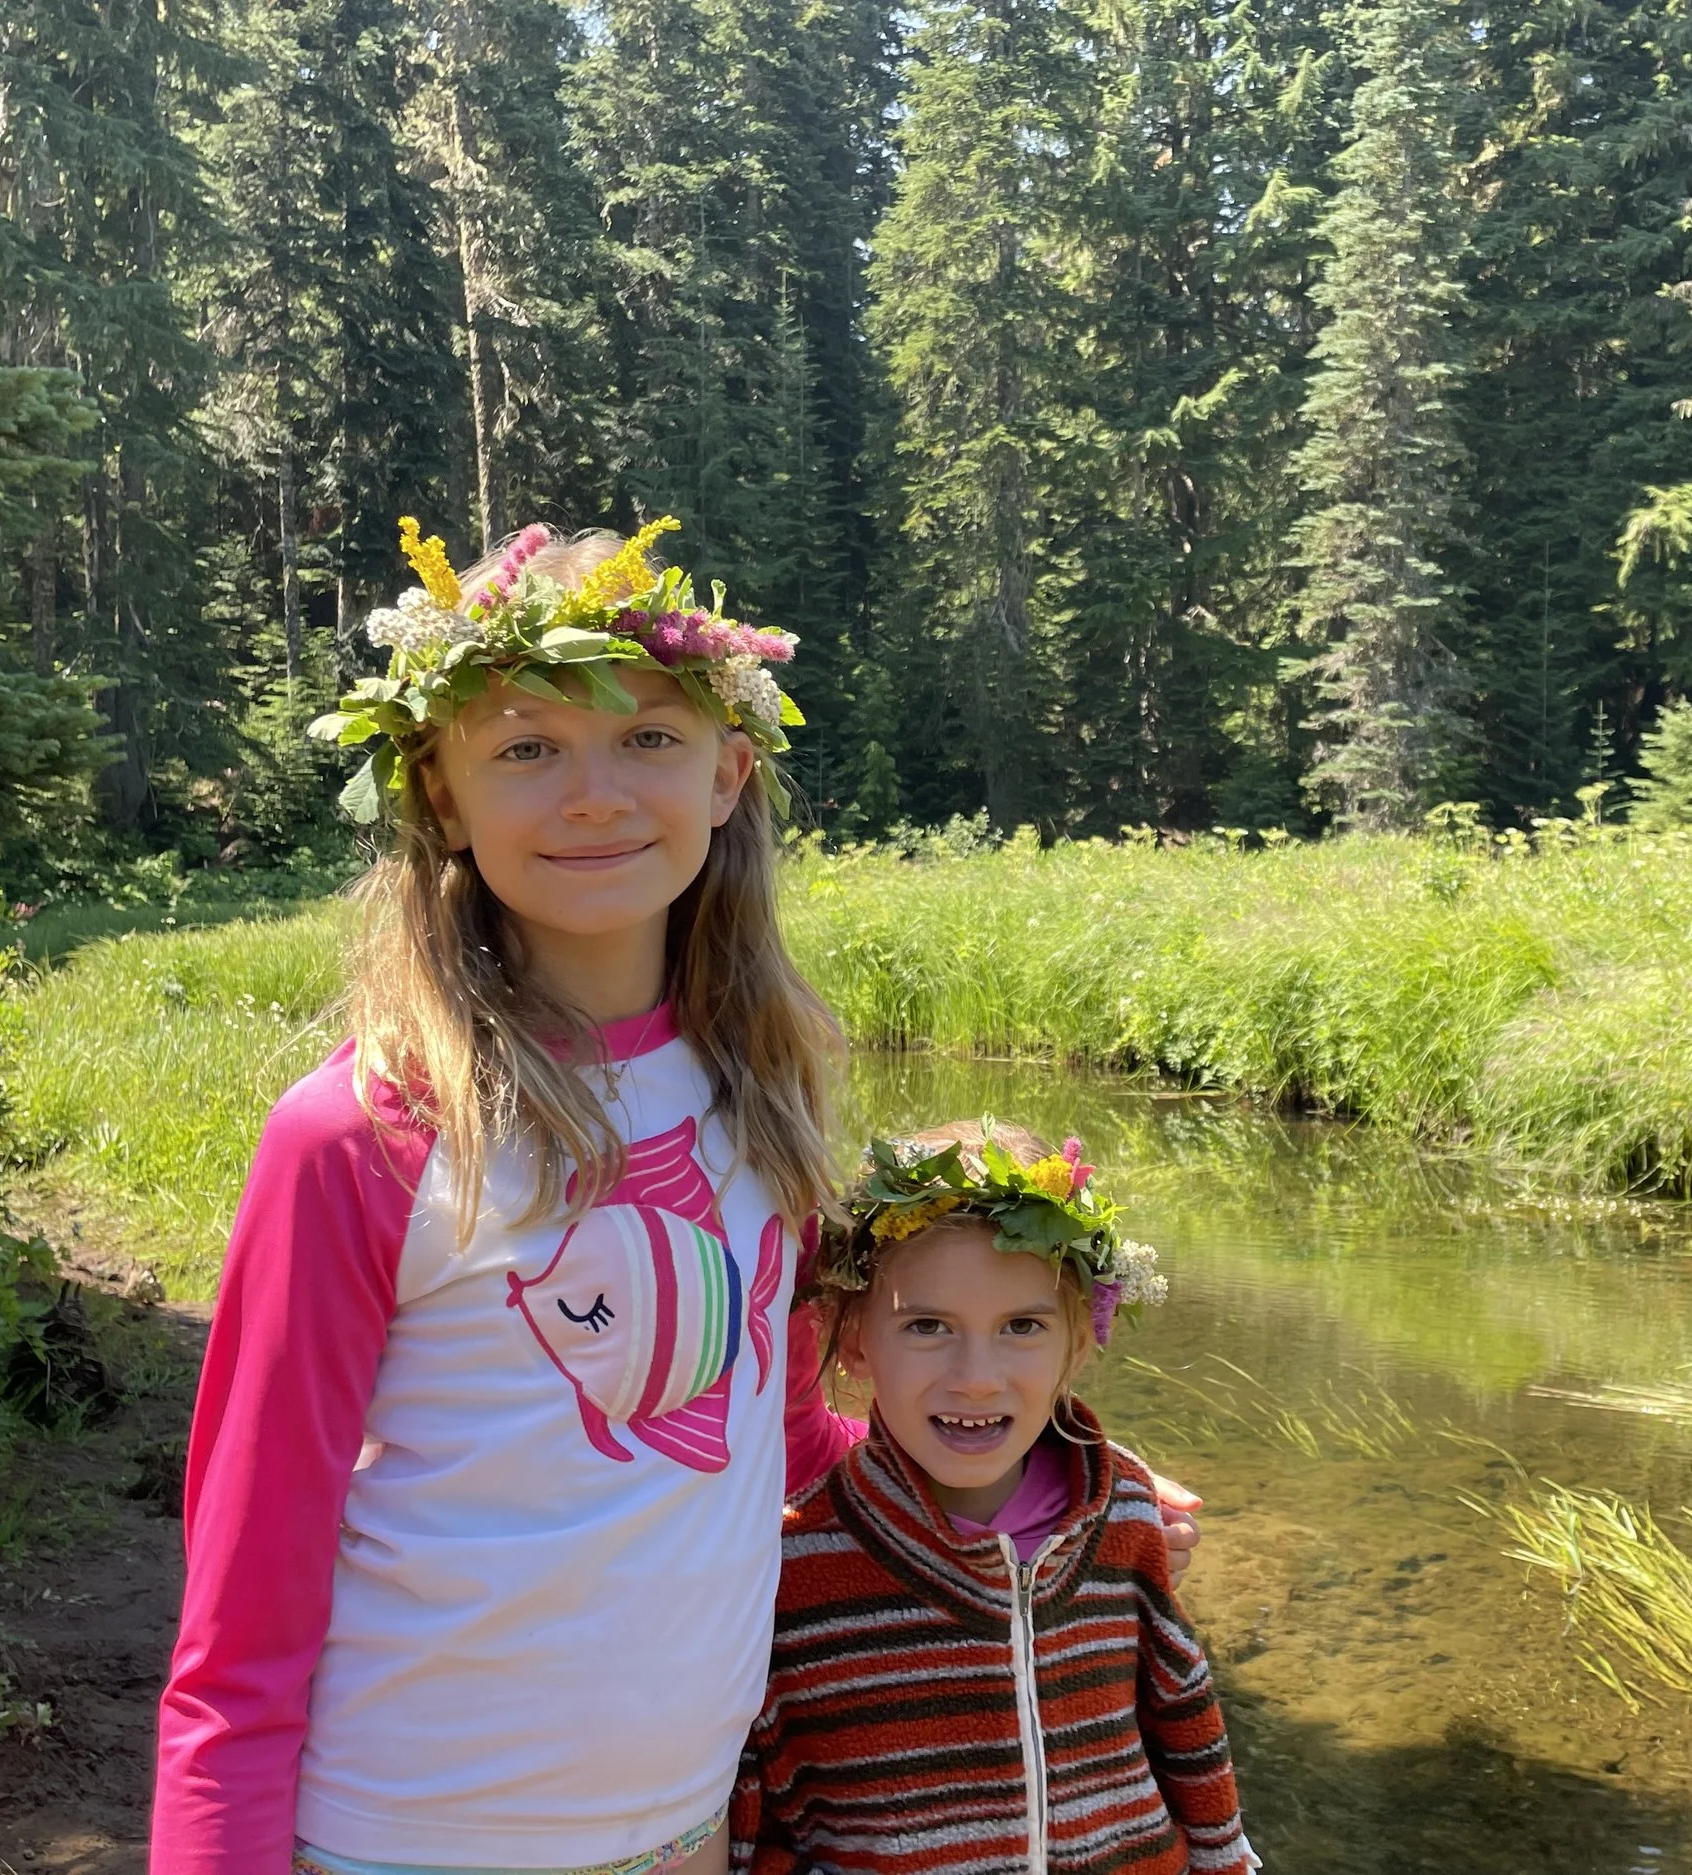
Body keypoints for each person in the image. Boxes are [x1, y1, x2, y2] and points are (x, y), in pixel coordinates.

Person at [146, 518, 1198, 1875]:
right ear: (441, 792)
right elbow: (237, 1627)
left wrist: (1052, 1486)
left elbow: (789, 1427)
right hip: (414, 1830)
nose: (593, 793)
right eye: (525, 745)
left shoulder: (762, 1090)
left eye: (648, 736)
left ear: (728, 772)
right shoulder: (362, 1133)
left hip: (691, 1825)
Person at [729, 1121, 1255, 1874]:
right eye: (928, 1324)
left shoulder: (1124, 1514)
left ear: (1078, 1340)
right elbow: (759, 1809)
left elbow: (1184, 1720)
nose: (976, 1374)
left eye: (1021, 1325)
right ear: (853, 1340)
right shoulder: (796, 1567)